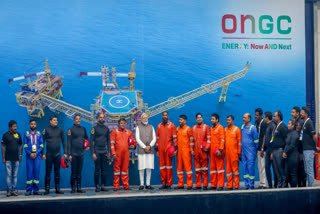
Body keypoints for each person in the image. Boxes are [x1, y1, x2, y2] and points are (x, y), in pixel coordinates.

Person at [43, 115, 67, 195]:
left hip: (57, 155)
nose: (56, 121)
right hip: (49, 155)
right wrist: (42, 153)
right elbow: (42, 143)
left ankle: (57, 189)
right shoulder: (46, 130)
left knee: (57, 172)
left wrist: (65, 153)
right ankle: (47, 189)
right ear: (50, 121)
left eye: (56, 120)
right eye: (54, 120)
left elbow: (64, 142)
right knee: (48, 172)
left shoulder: (60, 130)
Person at [111, 118, 136, 191]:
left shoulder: (129, 132)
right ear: (118, 124)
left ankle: (126, 185)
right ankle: (116, 186)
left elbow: (133, 143)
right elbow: (112, 144)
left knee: (125, 170)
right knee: (116, 170)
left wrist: (133, 146)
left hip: (126, 154)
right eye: (121, 123)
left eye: (124, 123)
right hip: (117, 154)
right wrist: (113, 153)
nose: (123, 124)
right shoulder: (114, 132)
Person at [67, 114, 89, 193]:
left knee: (79, 172)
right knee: (73, 171)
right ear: (74, 120)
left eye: (79, 119)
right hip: (73, 154)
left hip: (81, 154)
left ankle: (79, 188)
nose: (78, 120)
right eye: (76, 119)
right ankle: (73, 188)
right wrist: (69, 154)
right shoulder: (70, 129)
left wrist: (87, 146)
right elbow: (68, 143)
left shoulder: (83, 129)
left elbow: (86, 138)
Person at [155, 111, 177, 189]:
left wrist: (175, 150)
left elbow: (175, 139)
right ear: (161, 116)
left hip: (168, 149)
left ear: (168, 116)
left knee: (168, 167)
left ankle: (169, 183)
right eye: (163, 115)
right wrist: (156, 150)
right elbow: (157, 139)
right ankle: (163, 182)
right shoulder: (158, 126)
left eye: (166, 115)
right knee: (162, 167)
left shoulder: (172, 126)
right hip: (160, 149)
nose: (164, 116)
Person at [90, 113, 110, 192]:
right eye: (100, 117)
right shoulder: (94, 128)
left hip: (104, 152)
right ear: (97, 118)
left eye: (103, 117)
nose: (102, 118)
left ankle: (103, 186)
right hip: (97, 152)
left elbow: (108, 141)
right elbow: (91, 142)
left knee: (104, 170)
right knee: (97, 169)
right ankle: (97, 186)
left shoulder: (106, 129)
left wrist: (108, 151)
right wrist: (93, 153)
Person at [1, 120, 22, 197]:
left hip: (16, 159)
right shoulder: (5, 135)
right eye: (14, 126)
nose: (15, 128)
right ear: (10, 127)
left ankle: (14, 190)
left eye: (16, 126)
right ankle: (9, 190)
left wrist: (20, 156)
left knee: (15, 175)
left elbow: (20, 145)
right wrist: (3, 157)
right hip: (8, 159)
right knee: (9, 175)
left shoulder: (18, 135)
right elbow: (3, 147)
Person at [136, 113, 156, 190]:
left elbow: (154, 138)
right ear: (141, 119)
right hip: (141, 150)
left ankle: (148, 184)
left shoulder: (151, 127)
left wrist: (149, 146)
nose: (145, 119)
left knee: (149, 167)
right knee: (141, 167)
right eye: (143, 118)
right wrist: (144, 147)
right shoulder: (138, 127)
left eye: (146, 118)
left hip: (150, 150)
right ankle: (141, 184)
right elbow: (137, 139)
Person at [23, 119, 44, 196]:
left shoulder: (39, 134)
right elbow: (25, 146)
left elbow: (41, 145)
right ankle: (28, 190)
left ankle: (36, 190)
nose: (33, 125)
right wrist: (30, 153)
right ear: (29, 125)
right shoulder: (26, 134)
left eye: (34, 124)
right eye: (32, 124)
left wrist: (36, 153)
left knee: (36, 173)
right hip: (29, 157)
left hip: (37, 157)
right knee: (29, 173)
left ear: (36, 125)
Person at [300, 107, 319, 187]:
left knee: (309, 170)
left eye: (302, 112)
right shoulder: (304, 123)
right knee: (307, 170)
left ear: (306, 114)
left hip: (309, 150)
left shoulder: (309, 123)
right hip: (305, 150)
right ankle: (309, 186)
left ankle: (311, 187)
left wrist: (316, 146)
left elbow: (314, 135)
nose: (301, 113)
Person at [192, 113, 210, 190]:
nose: (199, 119)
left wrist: (207, 147)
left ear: (202, 118)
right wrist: (191, 150)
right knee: (197, 170)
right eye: (198, 118)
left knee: (205, 170)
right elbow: (191, 141)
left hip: (203, 152)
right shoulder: (193, 128)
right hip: (196, 152)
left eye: (200, 117)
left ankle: (205, 185)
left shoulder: (206, 127)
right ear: (196, 119)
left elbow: (209, 139)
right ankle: (198, 185)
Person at [176, 115, 194, 190]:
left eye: (181, 120)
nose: (180, 121)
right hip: (179, 151)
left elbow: (191, 141)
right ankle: (181, 184)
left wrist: (191, 150)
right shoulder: (177, 129)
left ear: (185, 121)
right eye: (179, 120)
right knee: (179, 168)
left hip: (186, 151)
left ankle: (189, 184)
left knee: (188, 168)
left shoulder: (188, 129)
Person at [241, 113, 259, 189]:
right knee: (244, 167)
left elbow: (256, 141)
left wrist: (255, 151)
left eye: (245, 118)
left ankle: (251, 184)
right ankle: (246, 184)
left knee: (250, 168)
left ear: (249, 118)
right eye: (243, 117)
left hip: (251, 152)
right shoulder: (242, 127)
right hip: (243, 152)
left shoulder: (253, 128)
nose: (243, 119)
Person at [271, 111, 288, 188]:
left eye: (275, 116)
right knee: (276, 168)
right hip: (274, 150)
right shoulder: (275, 126)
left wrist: (284, 151)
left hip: (280, 150)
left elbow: (286, 140)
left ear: (279, 117)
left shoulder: (283, 127)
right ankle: (280, 182)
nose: (273, 118)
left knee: (281, 168)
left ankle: (284, 183)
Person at [225, 115, 241, 190]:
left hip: (234, 154)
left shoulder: (236, 130)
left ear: (232, 121)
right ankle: (229, 185)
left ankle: (236, 185)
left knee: (235, 171)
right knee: (228, 170)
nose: (228, 121)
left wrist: (239, 153)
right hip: (227, 154)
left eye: (229, 120)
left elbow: (239, 143)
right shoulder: (225, 130)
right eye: (227, 120)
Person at [291, 106, 306, 187]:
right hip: (296, 149)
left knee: (301, 168)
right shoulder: (295, 121)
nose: (291, 114)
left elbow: (300, 138)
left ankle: (302, 185)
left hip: (299, 150)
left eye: (293, 112)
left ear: (297, 113)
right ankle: (299, 184)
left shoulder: (299, 122)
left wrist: (300, 151)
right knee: (297, 168)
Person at [209, 113, 225, 191]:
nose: (211, 120)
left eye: (213, 119)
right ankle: (213, 185)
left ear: (217, 120)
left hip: (218, 152)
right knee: (212, 169)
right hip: (212, 152)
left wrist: (220, 150)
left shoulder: (220, 128)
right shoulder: (211, 128)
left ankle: (221, 185)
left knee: (220, 169)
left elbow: (222, 140)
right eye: (211, 119)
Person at [282, 119, 299, 187]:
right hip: (288, 156)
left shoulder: (295, 134)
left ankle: (294, 188)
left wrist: (285, 152)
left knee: (293, 173)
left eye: (289, 124)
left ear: (293, 125)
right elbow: (287, 144)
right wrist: (284, 152)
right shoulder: (289, 133)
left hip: (293, 157)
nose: (288, 125)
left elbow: (292, 145)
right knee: (287, 173)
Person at [263, 111, 278, 188]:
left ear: (266, 117)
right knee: (266, 167)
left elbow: (273, 138)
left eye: (264, 117)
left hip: (272, 150)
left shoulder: (272, 125)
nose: (263, 118)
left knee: (275, 168)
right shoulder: (267, 125)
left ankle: (275, 184)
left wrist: (272, 151)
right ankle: (270, 184)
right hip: (267, 150)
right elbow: (265, 137)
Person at [255, 108, 267, 189]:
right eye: (255, 115)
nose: (255, 116)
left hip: (262, 149)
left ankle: (265, 184)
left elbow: (264, 137)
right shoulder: (256, 123)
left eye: (257, 115)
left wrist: (262, 148)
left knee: (263, 166)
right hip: (257, 148)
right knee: (259, 166)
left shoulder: (264, 124)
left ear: (260, 115)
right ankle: (261, 182)